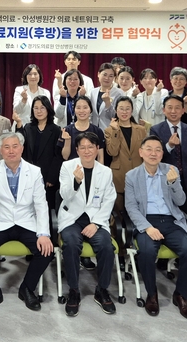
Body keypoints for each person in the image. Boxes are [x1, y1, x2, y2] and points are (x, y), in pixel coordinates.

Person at [0, 132, 54, 315]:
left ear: (22, 148)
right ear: (0, 150)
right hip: (0, 221)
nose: (11, 151)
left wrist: (43, 233)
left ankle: (27, 288)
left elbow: (41, 204)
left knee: (46, 250)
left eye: (15, 146)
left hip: (26, 222)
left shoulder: (34, 171)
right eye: (7, 147)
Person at [124, 135, 187, 320]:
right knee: (147, 252)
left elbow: (181, 201)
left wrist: (173, 183)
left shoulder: (171, 170)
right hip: (146, 221)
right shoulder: (132, 176)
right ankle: (152, 294)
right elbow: (131, 207)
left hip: (171, 221)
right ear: (141, 152)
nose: (153, 153)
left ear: (162, 153)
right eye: (149, 149)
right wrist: (147, 227)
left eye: (158, 149)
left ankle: (181, 295)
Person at [59, 132, 117, 317]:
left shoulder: (105, 171)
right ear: (77, 150)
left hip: (95, 219)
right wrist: (76, 182)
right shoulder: (67, 166)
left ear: (97, 148)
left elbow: (109, 199)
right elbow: (64, 195)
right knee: (71, 244)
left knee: (106, 246)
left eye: (90, 147)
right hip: (72, 218)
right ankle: (74, 290)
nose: (87, 151)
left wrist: (97, 223)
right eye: (82, 147)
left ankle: (102, 290)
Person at [149, 95, 187, 215]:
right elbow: (153, 156)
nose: (173, 111)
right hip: (164, 180)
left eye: (177, 108)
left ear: (183, 110)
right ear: (164, 110)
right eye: (170, 107)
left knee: (184, 215)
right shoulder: (156, 130)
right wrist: (169, 145)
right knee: (165, 214)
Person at [12, 96, 63, 210]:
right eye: (36, 108)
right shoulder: (28, 127)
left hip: (47, 177)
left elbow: (58, 156)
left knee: (45, 209)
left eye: (42, 108)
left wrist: (52, 177)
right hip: (29, 175)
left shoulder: (56, 130)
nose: (39, 111)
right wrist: (19, 123)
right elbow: (20, 144)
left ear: (48, 109)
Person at [105, 96, 150, 213]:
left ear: (132, 110)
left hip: (137, 174)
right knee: (118, 212)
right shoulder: (109, 130)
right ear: (116, 110)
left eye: (127, 109)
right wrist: (115, 131)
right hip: (119, 176)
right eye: (121, 108)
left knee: (137, 211)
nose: (124, 112)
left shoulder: (141, 130)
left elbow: (146, 153)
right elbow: (112, 152)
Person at [59, 95, 105, 164]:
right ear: (74, 110)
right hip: (72, 168)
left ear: (90, 110)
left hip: (92, 168)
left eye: (85, 107)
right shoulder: (66, 130)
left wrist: (100, 170)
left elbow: (100, 157)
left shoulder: (97, 131)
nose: (81, 111)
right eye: (78, 108)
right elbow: (65, 157)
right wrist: (67, 141)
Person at [89, 63, 125, 130]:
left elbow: (117, 116)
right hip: (94, 130)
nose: (107, 78)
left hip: (110, 131)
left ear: (114, 78)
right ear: (98, 74)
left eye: (111, 76)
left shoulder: (119, 93)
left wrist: (108, 103)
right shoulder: (93, 92)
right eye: (104, 75)